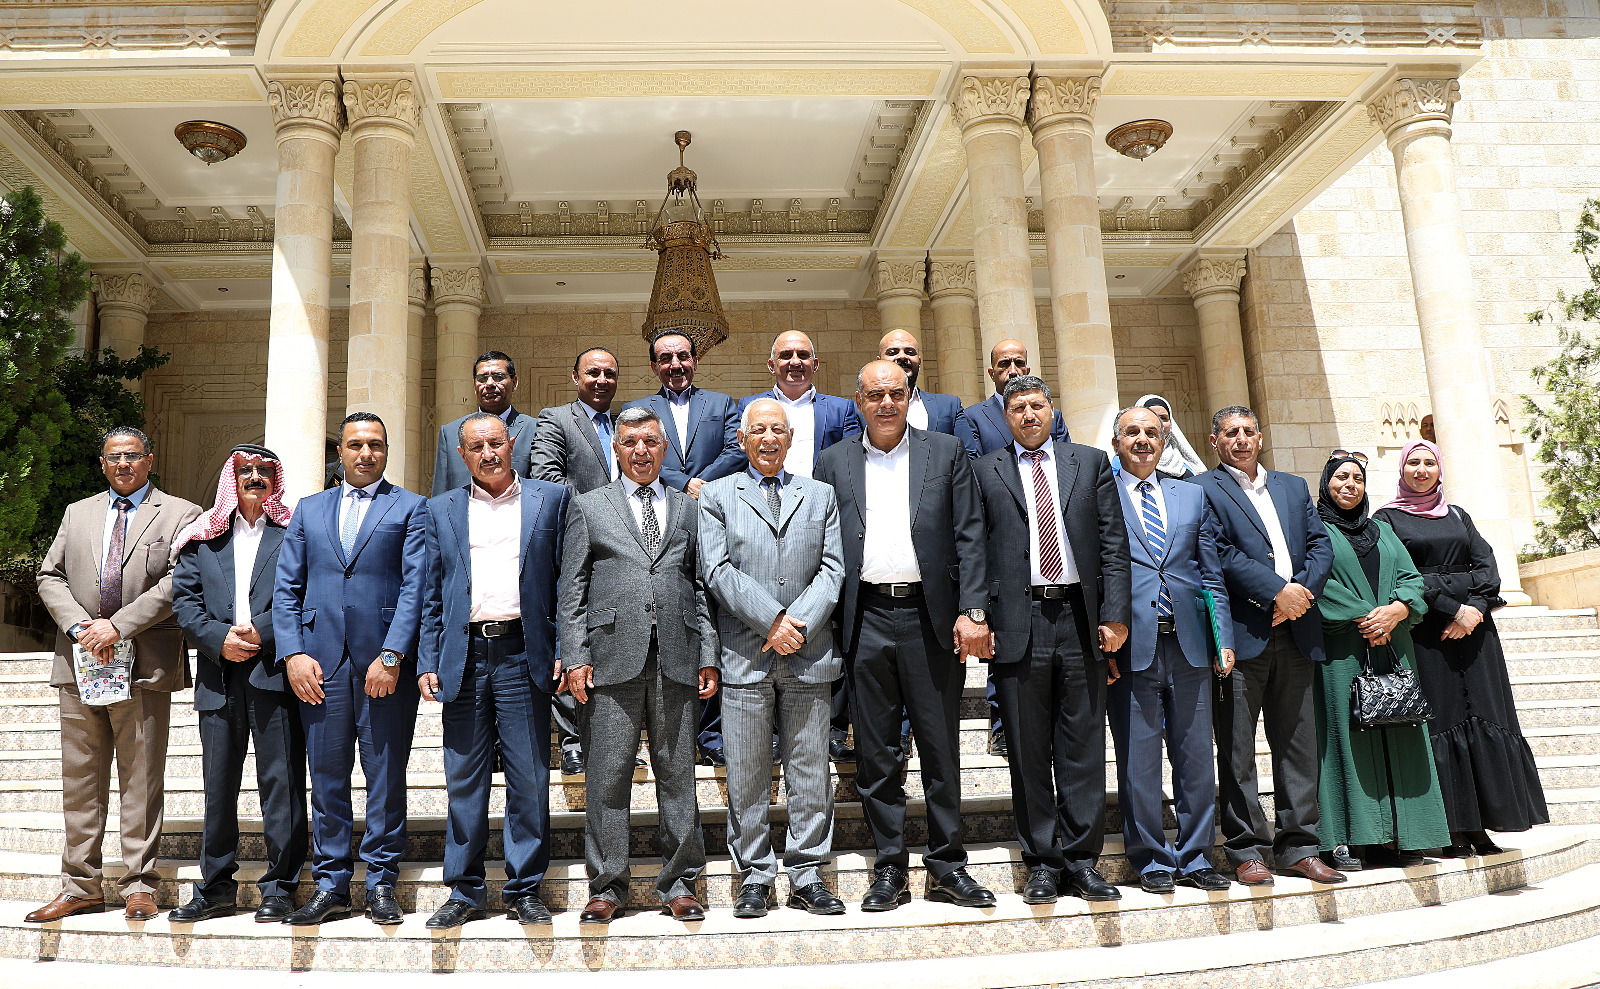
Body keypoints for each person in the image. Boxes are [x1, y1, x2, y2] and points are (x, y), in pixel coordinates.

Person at [814, 360, 995, 912]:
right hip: (865, 618)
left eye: (896, 393)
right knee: (876, 754)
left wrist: (974, 610)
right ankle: (889, 867)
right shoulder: (834, 460)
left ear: (910, 396)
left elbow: (970, 534)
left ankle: (948, 865)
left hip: (930, 620)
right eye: (875, 395)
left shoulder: (946, 451)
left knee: (940, 748)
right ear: (859, 401)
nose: (886, 403)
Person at [28, 427, 201, 924]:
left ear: (150, 460)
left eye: (132, 455)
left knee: (140, 779)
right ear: (102, 464)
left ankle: (139, 884)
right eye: (114, 457)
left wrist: (118, 626)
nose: (123, 463)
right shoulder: (77, 512)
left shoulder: (181, 513)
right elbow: (49, 575)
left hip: (143, 663)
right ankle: (80, 886)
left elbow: (180, 579)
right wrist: (81, 627)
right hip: (81, 661)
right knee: (80, 780)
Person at [971, 377, 1131, 903]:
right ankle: (1041, 860)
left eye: (1037, 405)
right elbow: (973, 549)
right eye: (1018, 407)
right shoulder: (985, 470)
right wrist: (978, 615)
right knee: (1027, 748)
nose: (1029, 414)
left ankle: (1083, 861)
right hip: (1018, 623)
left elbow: (1113, 544)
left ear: (1052, 410)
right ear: (1006, 416)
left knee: (1082, 745)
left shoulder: (1089, 463)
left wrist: (1114, 616)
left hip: (1081, 622)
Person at [558, 407, 719, 924]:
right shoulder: (589, 506)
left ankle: (681, 884)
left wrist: (708, 654)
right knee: (607, 778)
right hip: (610, 661)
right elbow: (572, 590)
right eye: (630, 442)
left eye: (650, 441)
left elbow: (700, 586)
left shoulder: (688, 508)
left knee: (678, 776)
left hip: (677, 656)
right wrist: (576, 656)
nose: (641, 451)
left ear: (664, 448)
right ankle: (607, 886)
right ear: (617, 448)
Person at [272, 412, 428, 926]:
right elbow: (286, 588)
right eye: (356, 444)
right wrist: (293, 653)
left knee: (385, 776)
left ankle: (382, 881)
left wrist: (393, 654)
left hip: (384, 666)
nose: (366, 453)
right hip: (320, 665)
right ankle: (331, 883)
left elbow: (416, 587)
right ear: (339, 451)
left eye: (376, 445)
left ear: (387, 451)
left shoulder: (411, 507)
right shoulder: (309, 509)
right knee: (327, 778)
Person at [418, 413, 568, 929]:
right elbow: (430, 593)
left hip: (524, 653)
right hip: (464, 657)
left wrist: (565, 648)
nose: (488, 453)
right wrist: (427, 659)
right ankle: (464, 890)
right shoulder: (441, 509)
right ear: (462, 455)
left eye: (496, 442)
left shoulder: (550, 500)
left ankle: (524, 888)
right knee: (464, 778)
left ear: (512, 443)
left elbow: (566, 583)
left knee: (529, 776)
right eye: (477, 447)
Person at [699, 399, 847, 919]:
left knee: (810, 769)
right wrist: (772, 622)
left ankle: (807, 873)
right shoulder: (717, 495)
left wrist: (796, 624)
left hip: (809, 652)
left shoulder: (819, 494)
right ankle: (755, 875)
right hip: (746, 654)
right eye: (758, 430)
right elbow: (717, 570)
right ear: (741, 440)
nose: (768, 438)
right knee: (746, 773)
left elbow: (832, 568)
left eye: (777, 430)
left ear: (790, 439)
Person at [1189, 406, 1347, 885]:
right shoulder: (1202, 489)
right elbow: (1217, 552)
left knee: (1298, 745)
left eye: (1248, 431)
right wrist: (1277, 591)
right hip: (1242, 635)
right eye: (1230, 433)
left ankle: (1299, 846)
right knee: (1237, 749)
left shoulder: (1292, 487)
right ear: (1214, 442)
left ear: (1260, 437)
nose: (1241, 439)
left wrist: (1300, 595)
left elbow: (1320, 546)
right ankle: (1246, 851)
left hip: (1297, 631)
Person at [1375, 439, 1548, 855]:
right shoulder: (1387, 519)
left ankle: (1481, 825)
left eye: (1429, 463)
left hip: (1476, 635)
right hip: (1427, 634)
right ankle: (1450, 828)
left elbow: (1486, 566)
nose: (1421, 470)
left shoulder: (1457, 514)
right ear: (1402, 470)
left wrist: (1474, 610)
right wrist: (1454, 608)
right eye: (1413, 463)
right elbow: (1404, 575)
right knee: (1442, 720)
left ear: (1440, 469)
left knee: (1484, 716)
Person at [169, 444, 307, 923]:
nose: (254, 477)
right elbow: (184, 602)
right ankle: (215, 887)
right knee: (218, 785)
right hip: (219, 676)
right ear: (232, 477)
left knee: (282, 784)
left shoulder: (293, 533)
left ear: (274, 480)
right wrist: (219, 639)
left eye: (264, 471)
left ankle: (280, 887)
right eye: (245, 470)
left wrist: (262, 632)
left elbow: (305, 595)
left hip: (273, 673)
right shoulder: (202, 537)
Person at [1106, 408, 1234, 894]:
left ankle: (1197, 855)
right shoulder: (1101, 494)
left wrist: (1222, 638)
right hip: (1131, 644)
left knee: (1196, 756)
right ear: (1116, 443)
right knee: (1138, 760)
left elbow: (1211, 574)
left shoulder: (1191, 495)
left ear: (1164, 442)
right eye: (1132, 433)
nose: (1143, 440)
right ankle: (1151, 859)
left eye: (1152, 433)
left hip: (1189, 644)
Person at [1315, 454, 1452, 865]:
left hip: (1393, 644)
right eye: (1341, 477)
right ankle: (1354, 838)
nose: (1350, 484)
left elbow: (1411, 578)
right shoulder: (1312, 530)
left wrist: (1397, 609)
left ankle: (1404, 836)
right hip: (1344, 649)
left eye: (1358, 478)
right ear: (1326, 483)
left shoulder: (1382, 531)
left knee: (1402, 733)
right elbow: (1315, 582)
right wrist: (1367, 615)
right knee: (1347, 736)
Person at [739, 329, 863, 761]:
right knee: (768, 619)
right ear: (771, 364)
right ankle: (774, 730)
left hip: (822, 519)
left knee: (830, 624)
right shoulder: (751, 408)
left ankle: (833, 726)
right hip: (766, 523)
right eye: (786, 355)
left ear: (815, 362)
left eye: (803, 355)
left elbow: (850, 461)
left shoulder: (842, 409)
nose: (795, 361)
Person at [625, 330, 745, 766]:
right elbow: (638, 454)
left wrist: (701, 483)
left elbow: (736, 448)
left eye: (682, 356)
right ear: (654, 366)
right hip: (662, 520)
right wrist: (682, 483)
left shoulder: (723, 403)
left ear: (695, 360)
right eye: (665, 358)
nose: (675, 364)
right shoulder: (639, 409)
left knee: (712, 617)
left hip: (715, 518)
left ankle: (711, 736)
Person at [958, 339, 1069, 758]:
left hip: (1047, 533)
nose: (1013, 368)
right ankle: (1002, 724)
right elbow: (972, 471)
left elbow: (1064, 463)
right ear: (991, 372)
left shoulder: (1051, 414)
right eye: (1004, 363)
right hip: (1002, 533)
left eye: (1019, 361)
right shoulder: (972, 417)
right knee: (1004, 642)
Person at [528, 345, 622, 776]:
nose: (601, 380)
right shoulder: (555, 419)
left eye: (609, 374)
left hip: (622, 550)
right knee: (572, 635)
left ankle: (610, 736)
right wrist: (604, 512)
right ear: (575, 377)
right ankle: (571, 741)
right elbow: (547, 478)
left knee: (610, 639)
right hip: (575, 541)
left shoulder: (625, 423)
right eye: (593, 373)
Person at [432, 350, 537, 496]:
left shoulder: (535, 430)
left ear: (514, 383)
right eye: (482, 378)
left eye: (498, 377)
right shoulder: (450, 433)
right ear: (474, 385)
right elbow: (441, 495)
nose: (489, 384)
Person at [879, 329, 965, 434]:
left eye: (909, 352)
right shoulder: (861, 412)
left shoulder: (949, 406)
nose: (902, 356)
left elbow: (965, 445)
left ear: (919, 362)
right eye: (892, 352)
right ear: (879, 362)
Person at [1132, 394, 1207, 479]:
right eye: (1152, 417)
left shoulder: (1184, 463)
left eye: (1163, 418)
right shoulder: (1127, 464)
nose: (1159, 423)